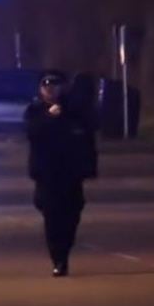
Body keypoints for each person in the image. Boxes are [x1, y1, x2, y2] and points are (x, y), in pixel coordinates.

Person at [24, 71, 94, 277]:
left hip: (70, 174)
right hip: (47, 175)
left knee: (72, 215)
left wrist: (88, 167)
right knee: (52, 217)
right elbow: (32, 133)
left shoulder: (73, 110)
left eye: (54, 85)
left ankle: (65, 249)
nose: (50, 89)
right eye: (46, 85)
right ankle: (58, 259)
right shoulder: (35, 110)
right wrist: (49, 117)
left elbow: (87, 136)